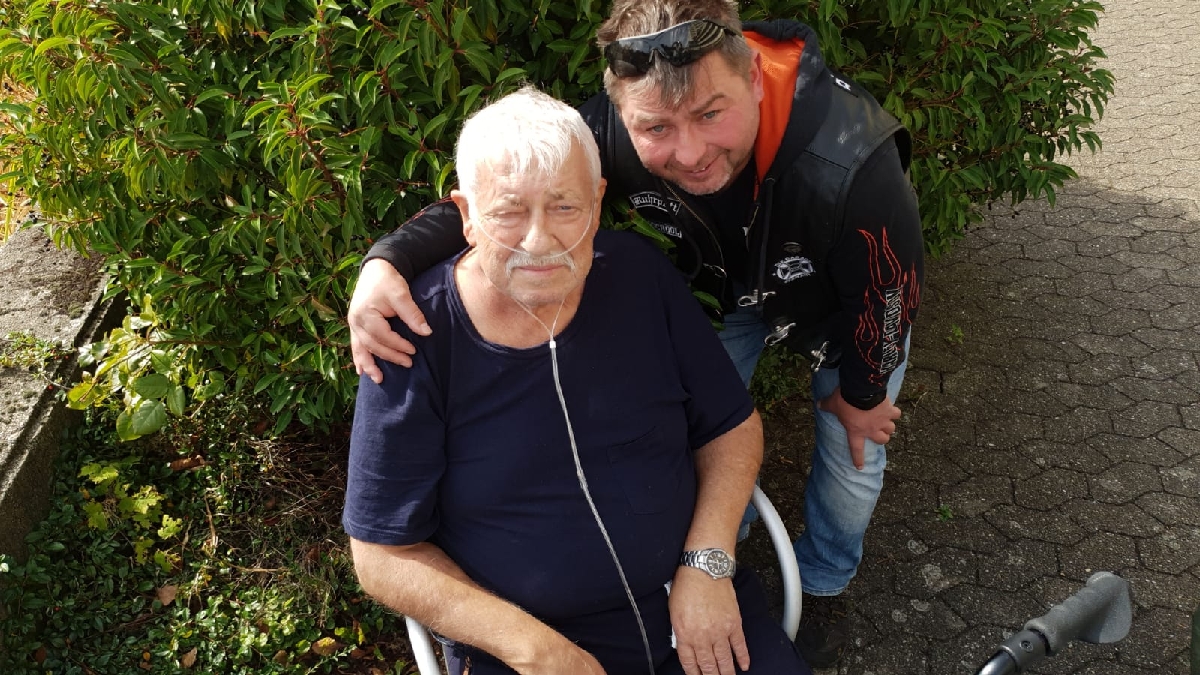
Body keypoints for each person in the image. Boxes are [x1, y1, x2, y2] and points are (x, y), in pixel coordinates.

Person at [347, 0, 924, 667]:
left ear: (753, 79)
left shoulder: (850, 161)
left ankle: (823, 579)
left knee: (854, 448)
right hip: (733, 294)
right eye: (657, 128)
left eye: (711, 114)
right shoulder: (418, 330)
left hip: (845, 304)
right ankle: (723, 540)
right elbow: (522, 177)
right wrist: (389, 258)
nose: (690, 152)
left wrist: (864, 390)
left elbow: (888, 294)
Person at [343, 86, 811, 675]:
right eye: (509, 211)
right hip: (525, 644)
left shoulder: (640, 277)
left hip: (692, 598)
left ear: (597, 202)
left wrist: (708, 561)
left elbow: (731, 427)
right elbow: (382, 553)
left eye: (565, 207)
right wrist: (533, 650)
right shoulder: (413, 333)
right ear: (466, 217)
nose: (539, 242)